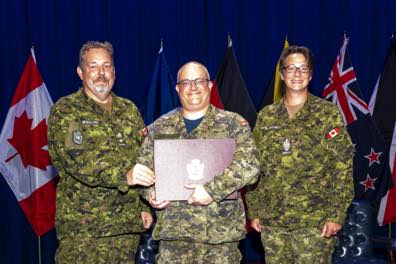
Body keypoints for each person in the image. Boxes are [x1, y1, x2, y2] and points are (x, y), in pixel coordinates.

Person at [131, 61, 260, 263]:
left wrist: (212, 190)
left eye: (199, 81)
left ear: (210, 85)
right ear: (177, 88)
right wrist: (151, 193)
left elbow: (250, 167)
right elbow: (142, 172)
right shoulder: (159, 128)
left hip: (220, 239)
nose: (193, 87)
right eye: (186, 82)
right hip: (174, 237)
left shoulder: (233, 124)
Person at [246, 46, 355, 264]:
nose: (297, 74)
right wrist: (255, 210)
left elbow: (342, 166)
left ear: (311, 74)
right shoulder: (266, 116)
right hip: (273, 221)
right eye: (291, 68)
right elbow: (253, 166)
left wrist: (336, 215)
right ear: (282, 74)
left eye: (303, 68)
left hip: (314, 222)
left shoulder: (327, 114)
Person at [48, 41, 154, 263]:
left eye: (106, 66)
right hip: (84, 231)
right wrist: (125, 175)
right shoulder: (66, 109)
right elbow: (78, 162)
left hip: (126, 227)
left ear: (114, 71)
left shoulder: (129, 109)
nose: (101, 74)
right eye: (93, 66)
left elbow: (143, 157)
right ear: (80, 72)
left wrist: (144, 206)